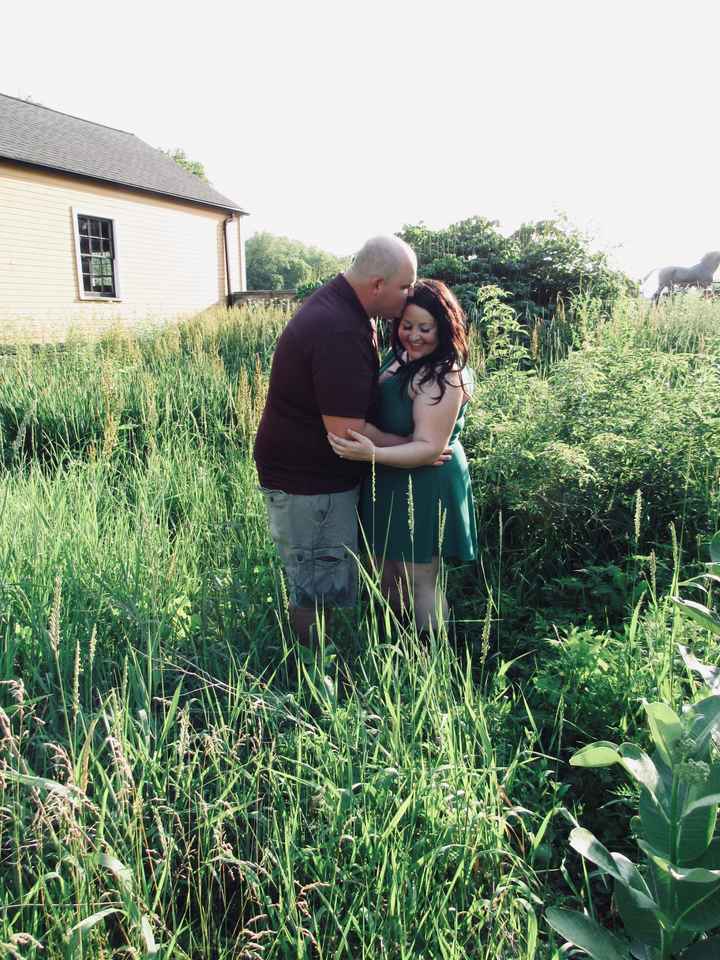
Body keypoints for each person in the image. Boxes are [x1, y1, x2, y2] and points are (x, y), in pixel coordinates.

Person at [253, 235, 418, 644]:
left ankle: (323, 665)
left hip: (317, 478)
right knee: (315, 586)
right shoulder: (337, 328)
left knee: (323, 577)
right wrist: (417, 448)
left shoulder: (345, 310)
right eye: (405, 286)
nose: (410, 294)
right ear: (377, 284)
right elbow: (347, 432)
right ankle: (316, 677)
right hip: (309, 483)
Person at [328, 279, 477, 633]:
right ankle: (397, 647)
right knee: (385, 571)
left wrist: (373, 451)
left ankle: (433, 659)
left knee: (419, 578)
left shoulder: (444, 376)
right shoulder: (400, 357)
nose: (414, 336)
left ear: (445, 327)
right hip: (387, 477)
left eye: (425, 328)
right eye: (407, 326)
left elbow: (428, 447)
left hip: (425, 482)